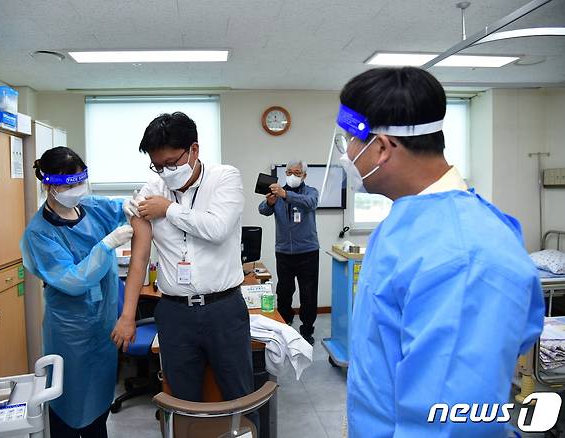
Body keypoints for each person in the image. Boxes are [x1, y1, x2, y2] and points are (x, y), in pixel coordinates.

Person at [333, 67, 544, 436]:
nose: (346, 154)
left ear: (382, 147)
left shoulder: (464, 256)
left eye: (350, 139)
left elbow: (451, 422)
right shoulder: (407, 221)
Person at [112, 112, 258, 427]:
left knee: (239, 395)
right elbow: (140, 256)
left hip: (223, 309)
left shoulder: (225, 178)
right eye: (158, 165)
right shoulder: (153, 186)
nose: (165, 172)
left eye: (171, 163)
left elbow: (217, 228)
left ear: (194, 149)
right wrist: (127, 316)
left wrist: (169, 209)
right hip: (175, 312)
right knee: (181, 401)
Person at [21, 147, 133, 438]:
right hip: (70, 332)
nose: (75, 190)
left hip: (103, 324)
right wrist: (107, 244)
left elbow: (121, 208)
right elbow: (72, 280)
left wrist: (134, 205)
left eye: (78, 182)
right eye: (67, 185)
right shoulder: (40, 233)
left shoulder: (91, 209)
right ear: (48, 185)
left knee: (99, 405)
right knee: (67, 404)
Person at [258, 160, 319, 344]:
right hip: (284, 252)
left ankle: (307, 330)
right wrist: (269, 202)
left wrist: (287, 195)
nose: (293, 176)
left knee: (308, 294)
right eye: (290, 172)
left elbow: (311, 203)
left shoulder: (311, 192)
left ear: (304, 176)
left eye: (297, 173)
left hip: (308, 252)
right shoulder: (276, 191)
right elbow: (262, 210)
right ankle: (284, 325)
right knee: (284, 292)